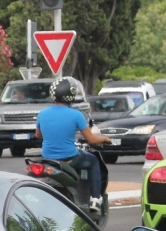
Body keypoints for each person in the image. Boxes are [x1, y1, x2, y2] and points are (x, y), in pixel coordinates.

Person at [35, 78, 111, 210]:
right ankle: (95, 200)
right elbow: (92, 140)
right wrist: (104, 138)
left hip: (47, 160)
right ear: (71, 95)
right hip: (69, 158)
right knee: (93, 161)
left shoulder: (42, 114)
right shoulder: (76, 115)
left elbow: (38, 135)